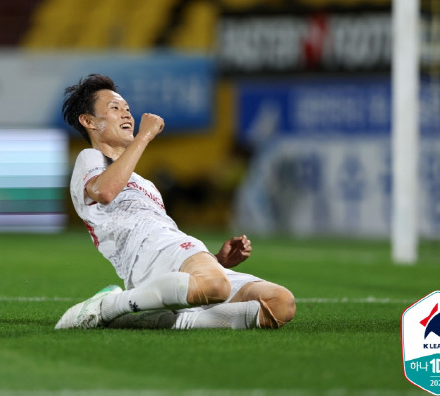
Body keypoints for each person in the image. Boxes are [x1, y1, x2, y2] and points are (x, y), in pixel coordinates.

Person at [55, 74, 295, 330]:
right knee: (216, 286)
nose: (127, 115)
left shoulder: (146, 185)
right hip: (145, 254)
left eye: (127, 109)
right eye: (115, 109)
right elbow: (104, 191)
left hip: (173, 254)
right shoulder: (90, 159)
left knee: (280, 303)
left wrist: (216, 261)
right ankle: (108, 307)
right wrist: (143, 137)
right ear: (88, 121)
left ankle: (159, 317)